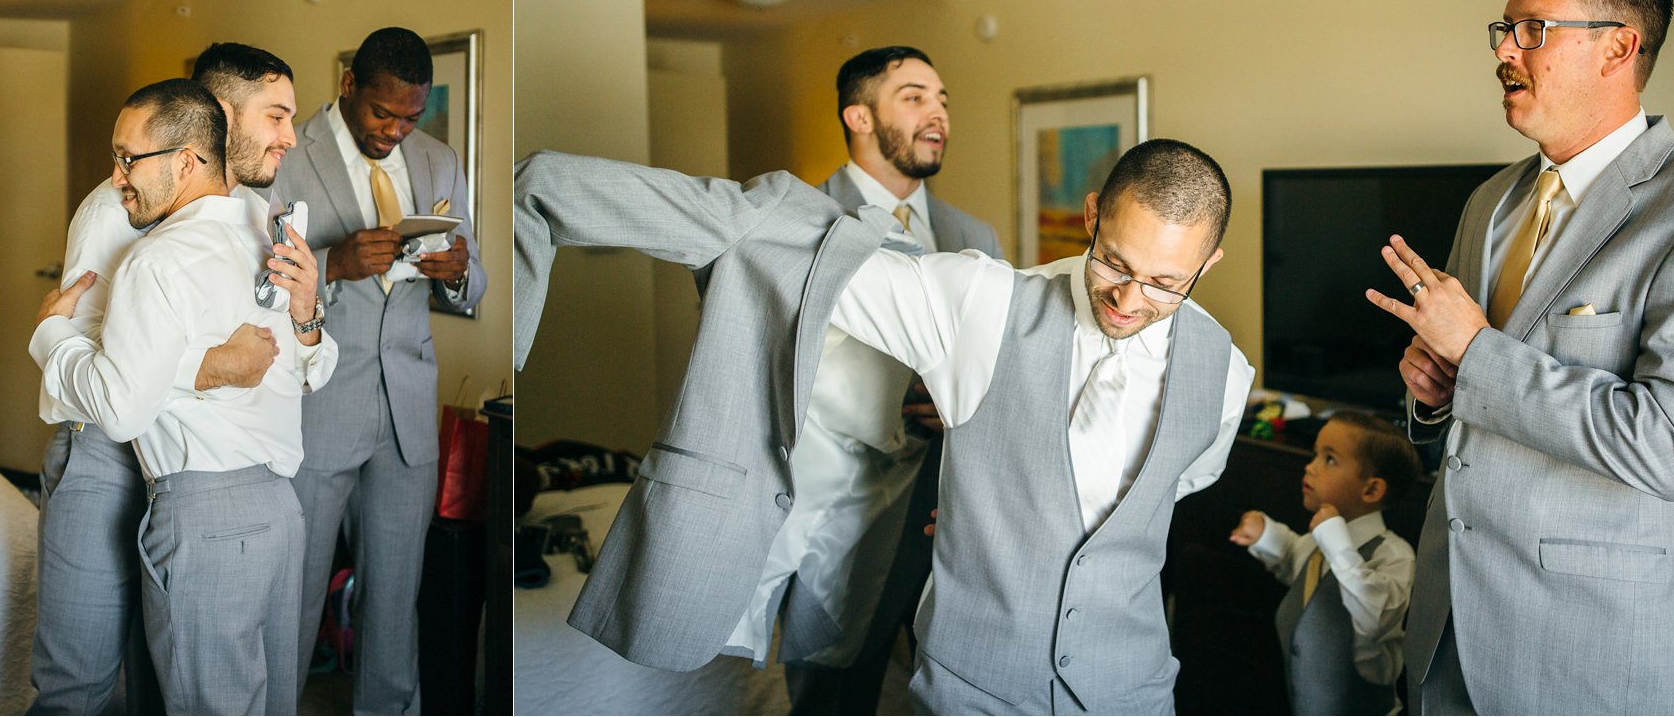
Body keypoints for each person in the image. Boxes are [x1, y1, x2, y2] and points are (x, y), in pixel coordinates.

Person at [513, 137, 1252, 715]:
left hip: (1133, 694)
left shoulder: (1226, 375)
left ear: (1208, 261)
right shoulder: (980, 304)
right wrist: (551, 187)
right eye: (1112, 262)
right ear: (1092, 216)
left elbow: (1164, 496)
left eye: (1165, 282)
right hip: (972, 692)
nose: (1128, 297)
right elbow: (774, 242)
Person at [1365, 0, 1674, 714]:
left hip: (1593, 659)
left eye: (1532, 30)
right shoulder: (1489, 202)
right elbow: (1470, 413)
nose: (1504, 51)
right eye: (1503, 29)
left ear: (1618, 47)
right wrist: (1432, 395)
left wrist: (1477, 355)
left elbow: (1670, 447)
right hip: (1447, 633)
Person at [31, 78, 338, 715]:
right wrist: (211, 366)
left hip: (214, 495)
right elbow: (113, 383)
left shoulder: (263, 222)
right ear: (217, 125)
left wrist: (46, 334)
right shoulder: (116, 213)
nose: (286, 137)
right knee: (89, 682)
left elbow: (294, 366)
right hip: (115, 467)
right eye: (274, 118)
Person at [732, 46, 1000, 715]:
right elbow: (755, 355)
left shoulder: (977, 237)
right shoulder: (797, 223)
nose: (937, 113)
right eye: (914, 97)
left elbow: (997, 361)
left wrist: (972, 402)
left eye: (942, 99)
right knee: (831, 688)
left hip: (949, 512)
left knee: (954, 687)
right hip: (838, 506)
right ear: (858, 116)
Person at [272, 26, 486, 713]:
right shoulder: (286, 160)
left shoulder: (439, 160)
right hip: (314, 410)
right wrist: (333, 265)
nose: (395, 130)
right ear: (347, 87)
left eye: (409, 117)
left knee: (396, 603)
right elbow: (249, 290)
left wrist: (457, 275)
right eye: (381, 113)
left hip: (407, 418)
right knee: (293, 597)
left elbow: (475, 279)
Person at [1229, 412, 1418, 715]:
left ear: (1371, 490)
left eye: (1329, 459)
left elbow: (1377, 616)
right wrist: (1266, 534)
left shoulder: (1394, 555)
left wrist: (1336, 543)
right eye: (1315, 454)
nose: (1310, 466)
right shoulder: (1319, 543)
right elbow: (1295, 561)